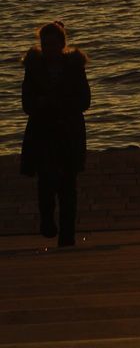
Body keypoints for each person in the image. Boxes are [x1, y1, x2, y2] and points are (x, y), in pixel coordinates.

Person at [20, 21, 90, 247]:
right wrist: (42, 103)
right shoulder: (33, 68)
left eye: (52, 43)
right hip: (43, 132)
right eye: (45, 44)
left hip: (69, 131)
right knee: (46, 183)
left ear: (62, 44)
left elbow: (84, 100)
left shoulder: (75, 67)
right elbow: (27, 103)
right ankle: (48, 221)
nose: (48, 48)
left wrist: (63, 103)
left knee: (68, 185)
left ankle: (67, 236)